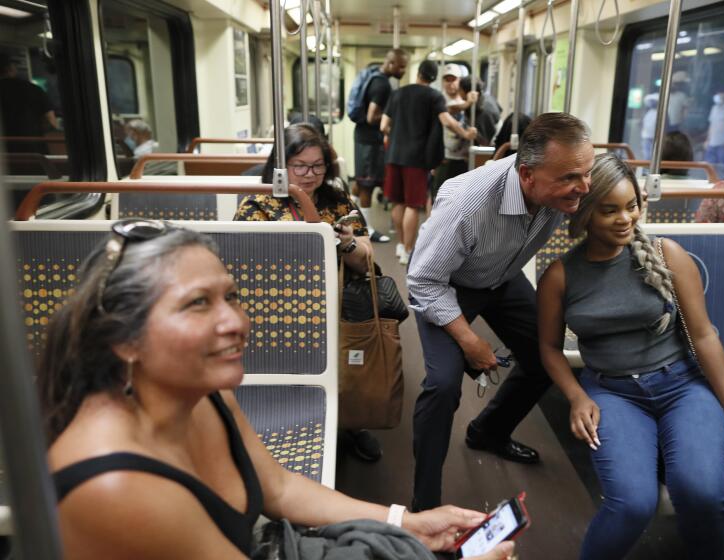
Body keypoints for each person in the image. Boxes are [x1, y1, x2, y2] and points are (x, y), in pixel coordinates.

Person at [40, 219, 515, 560]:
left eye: (231, 296)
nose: (236, 322)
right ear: (123, 340)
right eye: (197, 304)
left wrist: (405, 523)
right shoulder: (113, 488)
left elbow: (279, 487)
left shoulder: (204, 393)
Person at [537, 153, 724, 560]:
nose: (625, 219)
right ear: (584, 213)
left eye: (632, 206)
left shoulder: (667, 253)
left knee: (703, 493)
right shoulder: (560, 275)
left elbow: (704, 336)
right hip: (612, 393)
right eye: (610, 210)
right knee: (632, 504)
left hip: (683, 386)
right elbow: (548, 348)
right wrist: (577, 397)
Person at [407, 112, 594, 512]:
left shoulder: (564, 183)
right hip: (448, 283)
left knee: (546, 357)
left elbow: (606, 195)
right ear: (527, 176)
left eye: (587, 173)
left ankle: (488, 431)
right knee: (442, 386)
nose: (584, 188)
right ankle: (424, 507)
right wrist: (470, 341)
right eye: (569, 179)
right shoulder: (467, 204)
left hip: (502, 277)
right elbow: (422, 280)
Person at [235, 124, 384, 462]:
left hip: (333, 302)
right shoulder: (257, 205)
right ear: (281, 166)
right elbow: (241, 261)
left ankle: (351, 423)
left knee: (347, 357)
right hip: (274, 304)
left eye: (318, 166)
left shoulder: (337, 200)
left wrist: (346, 243)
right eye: (299, 166)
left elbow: (367, 260)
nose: (309, 174)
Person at [380, 60, 477, 266]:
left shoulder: (397, 93)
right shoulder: (434, 96)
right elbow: (447, 121)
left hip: (394, 155)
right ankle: (408, 249)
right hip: (416, 158)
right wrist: (466, 133)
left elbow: (383, 125)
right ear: (434, 78)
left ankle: (401, 244)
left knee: (398, 202)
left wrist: (398, 137)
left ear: (418, 73)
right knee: (413, 206)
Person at [352, 49, 409, 243]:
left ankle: (353, 221)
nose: (403, 71)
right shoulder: (382, 84)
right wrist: (392, 120)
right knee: (367, 184)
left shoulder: (376, 77)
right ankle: (365, 229)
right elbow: (371, 116)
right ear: (391, 63)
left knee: (361, 182)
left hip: (363, 137)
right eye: (401, 66)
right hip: (369, 140)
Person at [432, 64, 479, 203]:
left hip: (463, 157)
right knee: (439, 197)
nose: (450, 83)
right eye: (447, 80)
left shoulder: (467, 99)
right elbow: (447, 111)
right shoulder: (438, 99)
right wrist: (466, 104)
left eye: (453, 79)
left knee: (460, 198)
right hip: (444, 156)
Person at [0, 52, 58, 153]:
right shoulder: (34, 89)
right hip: (34, 152)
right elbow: (51, 122)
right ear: (11, 68)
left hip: (5, 156)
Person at [704, 88, 724, 178]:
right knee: (709, 168)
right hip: (712, 143)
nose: (718, 95)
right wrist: (707, 139)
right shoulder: (714, 108)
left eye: (720, 92)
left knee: (723, 169)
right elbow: (711, 125)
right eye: (717, 92)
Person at [458, 76, 499, 147]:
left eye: (460, 89)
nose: (458, 92)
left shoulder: (483, 111)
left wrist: (473, 134)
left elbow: (486, 142)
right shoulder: (486, 97)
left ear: (467, 93)